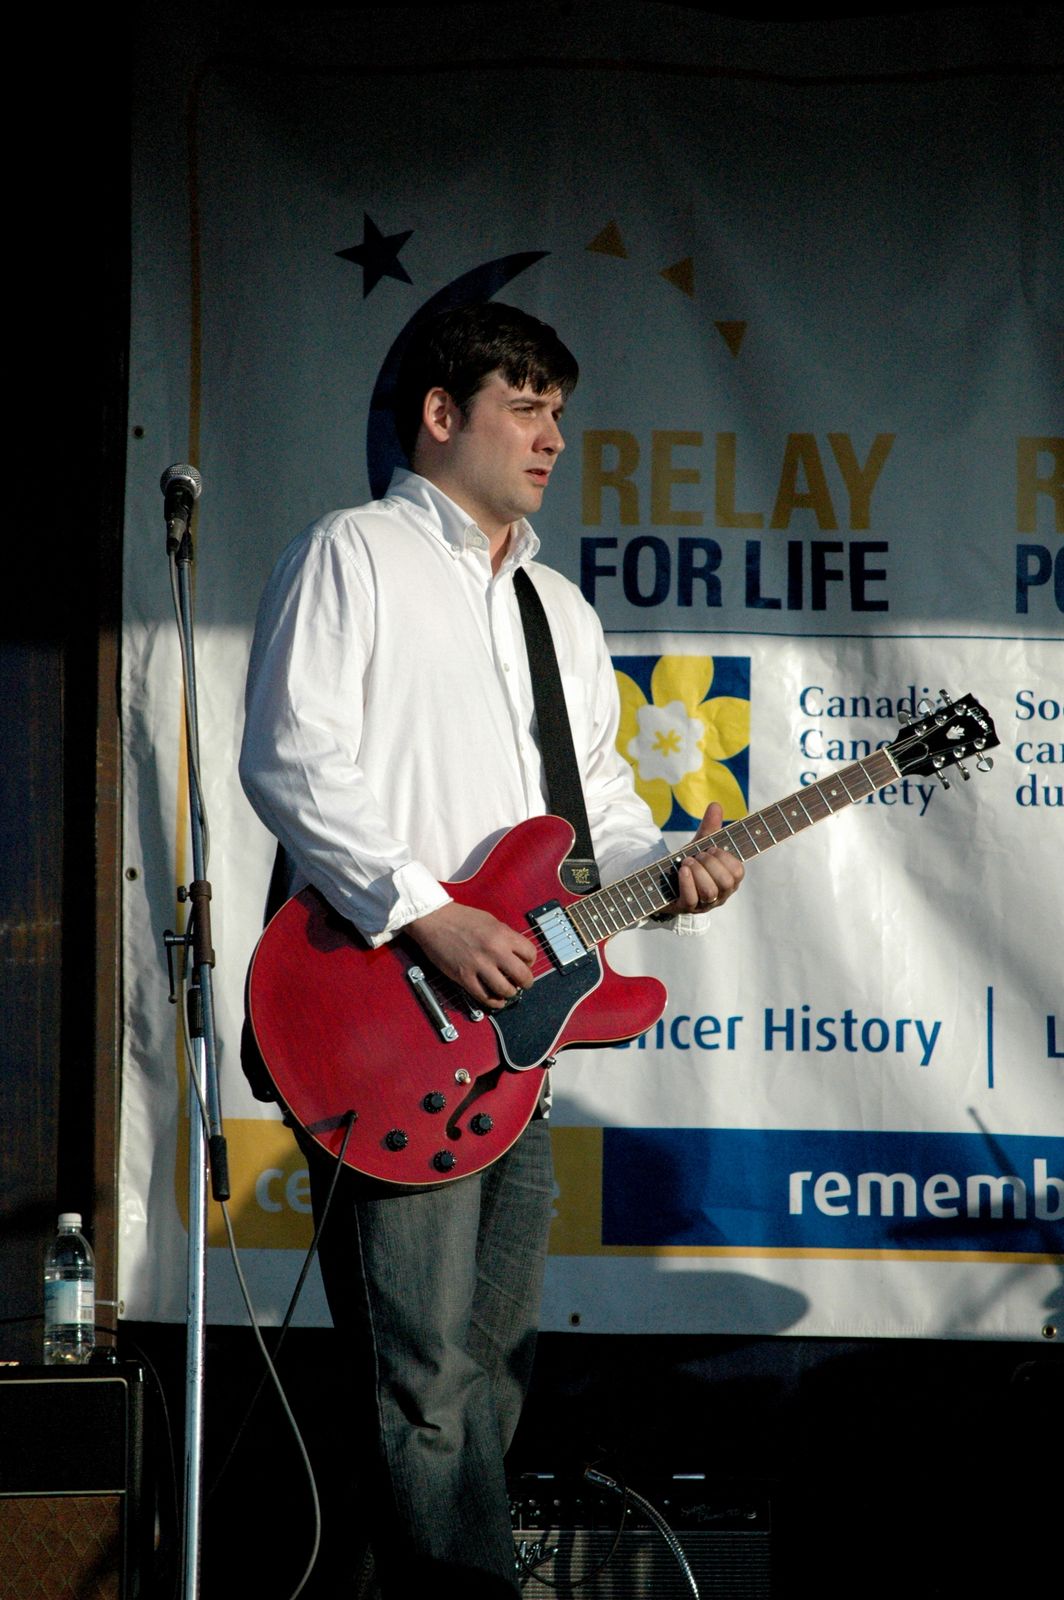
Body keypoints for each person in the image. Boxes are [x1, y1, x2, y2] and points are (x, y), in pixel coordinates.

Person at [239, 302, 743, 1597]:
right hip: (384, 1014)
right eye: (525, 407)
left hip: (514, 1042)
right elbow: (292, 758)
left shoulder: (557, 609)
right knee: (422, 1377)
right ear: (441, 413)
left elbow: (596, 812)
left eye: (559, 412)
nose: (553, 437)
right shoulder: (352, 555)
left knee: (489, 1371)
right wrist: (426, 911)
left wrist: (672, 873)